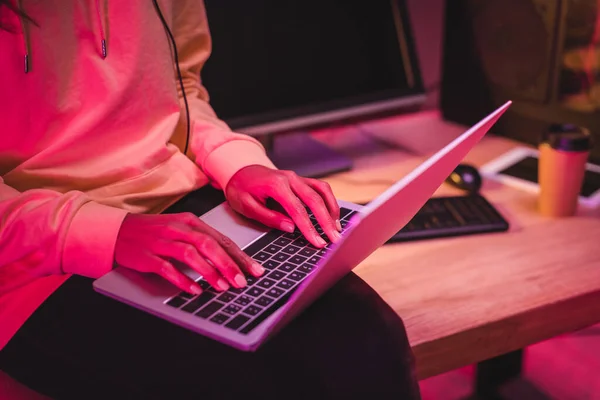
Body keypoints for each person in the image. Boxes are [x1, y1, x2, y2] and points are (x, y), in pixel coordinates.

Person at [0, 1, 422, 399]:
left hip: (182, 207)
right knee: (261, 381)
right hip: (32, 262)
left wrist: (237, 163)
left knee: (368, 339)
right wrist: (106, 232)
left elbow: (180, 88)